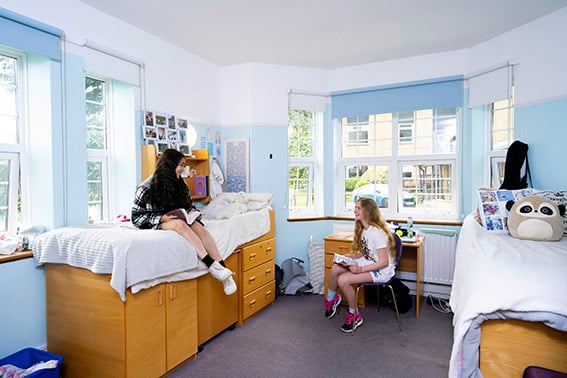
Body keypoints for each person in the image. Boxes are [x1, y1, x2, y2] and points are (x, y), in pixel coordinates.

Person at [131, 148, 236, 295]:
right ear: (169, 165)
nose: (182, 169)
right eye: (180, 165)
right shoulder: (145, 188)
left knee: (198, 227)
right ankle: (211, 265)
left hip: (178, 217)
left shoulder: (182, 184)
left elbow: (189, 206)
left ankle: (224, 272)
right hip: (159, 221)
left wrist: (192, 213)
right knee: (179, 225)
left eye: (183, 165)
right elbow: (136, 218)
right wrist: (161, 218)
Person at [325, 197, 396, 333]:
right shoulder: (364, 229)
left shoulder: (377, 233)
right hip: (370, 262)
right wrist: (352, 256)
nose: (355, 211)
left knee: (343, 280)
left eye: (358, 208)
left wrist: (360, 269)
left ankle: (355, 315)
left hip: (382, 270)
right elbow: (367, 253)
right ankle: (331, 300)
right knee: (335, 269)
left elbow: (383, 262)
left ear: (368, 211)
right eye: (355, 208)